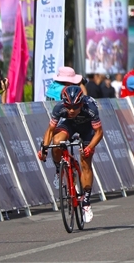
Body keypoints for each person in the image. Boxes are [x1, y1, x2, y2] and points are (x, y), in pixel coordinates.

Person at [37, 86, 103, 223]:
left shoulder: (90, 107)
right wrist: (44, 150)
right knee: (57, 141)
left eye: (75, 107)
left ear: (81, 104)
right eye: (69, 107)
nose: (71, 110)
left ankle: (86, 203)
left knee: (86, 161)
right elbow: (50, 130)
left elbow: (99, 133)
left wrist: (90, 147)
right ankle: (59, 170)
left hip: (88, 129)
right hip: (69, 125)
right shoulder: (59, 108)